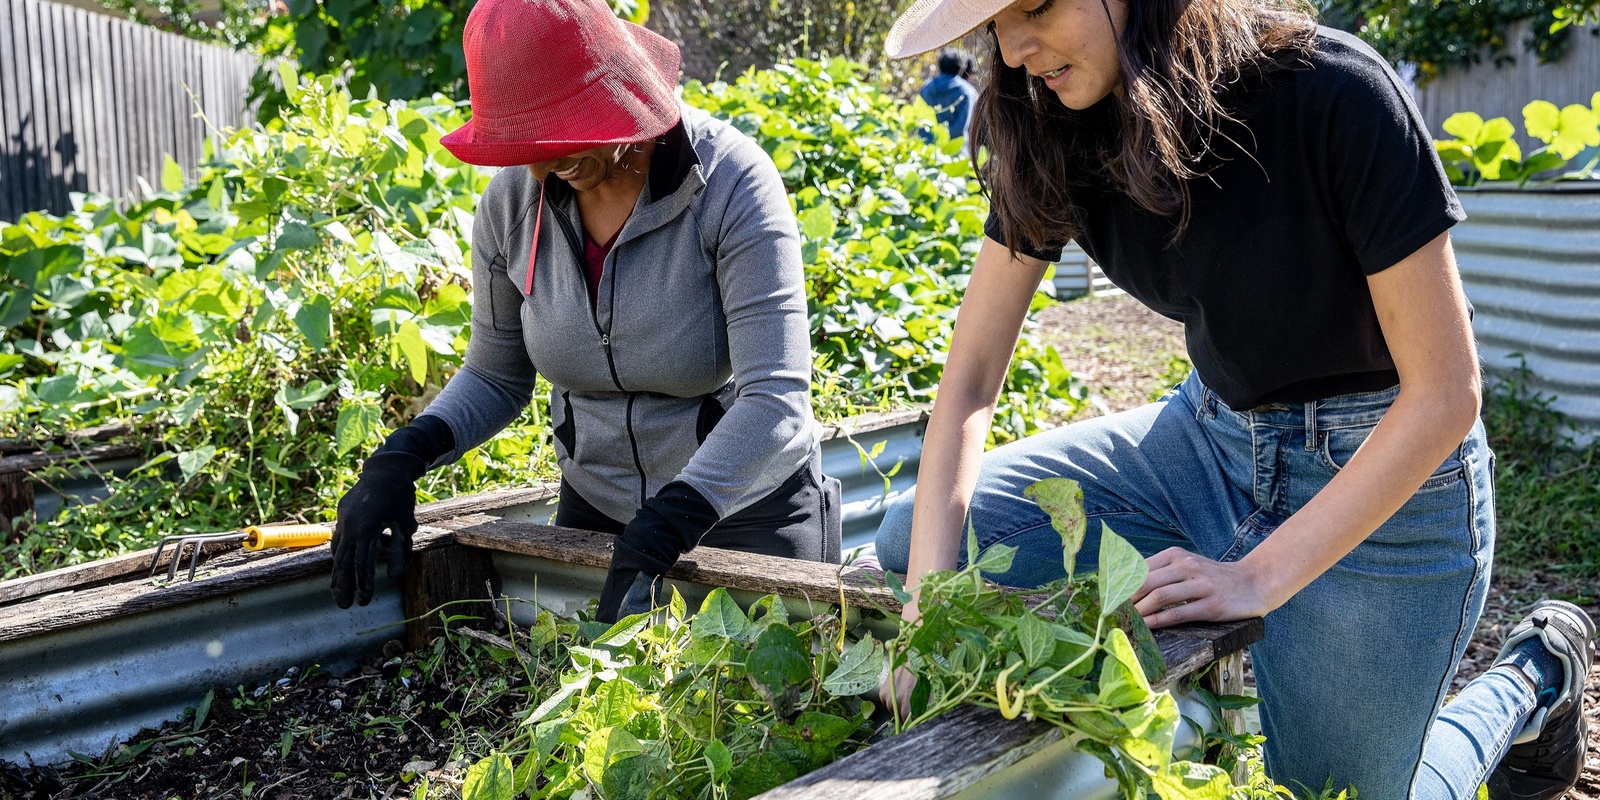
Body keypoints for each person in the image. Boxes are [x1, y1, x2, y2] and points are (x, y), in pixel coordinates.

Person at [875, 0, 1595, 797]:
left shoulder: (1333, 92)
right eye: (993, 25)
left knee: (1337, 794)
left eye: (1037, 6)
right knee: (919, 537)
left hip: (1385, 479)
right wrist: (921, 623)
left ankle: (1534, 678)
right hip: (1206, 441)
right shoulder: (1052, 126)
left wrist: (1255, 579)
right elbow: (971, 379)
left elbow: (1445, 394)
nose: (1011, 50)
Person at [329, 0, 840, 624]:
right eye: (527, 145)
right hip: (598, 508)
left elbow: (775, 400)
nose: (540, 166)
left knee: (759, 707)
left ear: (619, 104)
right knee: (590, 704)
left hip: (741, 508)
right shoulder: (514, 204)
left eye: (558, 140)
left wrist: (671, 521)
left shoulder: (731, 185)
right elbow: (495, 375)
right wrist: (402, 456)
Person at [918, 48, 981, 151]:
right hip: (957, 153)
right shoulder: (967, 92)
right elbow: (963, 127)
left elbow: (920, 121)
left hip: (927, 151)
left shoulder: (926, 88)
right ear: (960, 67)